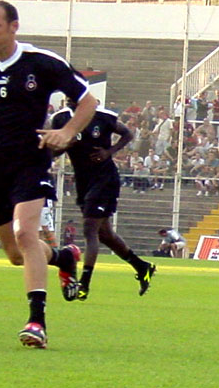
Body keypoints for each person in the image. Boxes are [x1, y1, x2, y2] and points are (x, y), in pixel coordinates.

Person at [0, 0, 98, 348]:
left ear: (14, 27)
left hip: (30, 159)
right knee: (14, 253)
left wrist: (68, 131)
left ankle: (36, 322)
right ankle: (62, 256)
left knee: (26, 233)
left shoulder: (41, 62)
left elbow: (88, 101)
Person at [51, 100, 156, 301]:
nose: (72, 101)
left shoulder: (102, 116)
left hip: (105, 179)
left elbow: (127, 133)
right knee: (105, 234)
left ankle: (84, 283)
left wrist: (110, 151)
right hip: (83, 181)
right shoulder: (61, 119)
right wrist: (64, 145)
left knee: (90, 229)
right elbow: (52, 151)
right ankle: (142, 267)